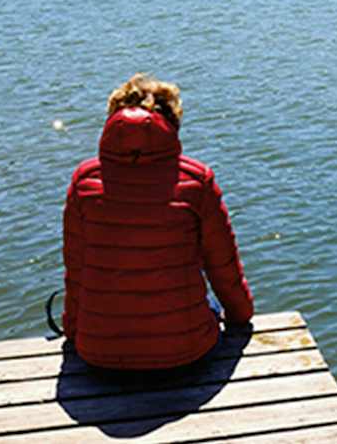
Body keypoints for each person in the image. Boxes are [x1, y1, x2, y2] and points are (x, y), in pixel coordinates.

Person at [61, 73, 254, 370]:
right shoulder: (196, 180)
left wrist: (75, 332)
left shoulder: (84, 181)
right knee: (211, 306)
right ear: (171, 123)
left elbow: (77, 271)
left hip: (99, 355)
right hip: (187, 352)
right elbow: (223, 269)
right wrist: (241, 316)